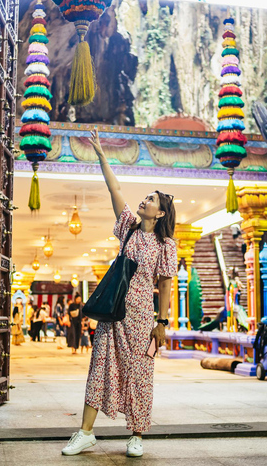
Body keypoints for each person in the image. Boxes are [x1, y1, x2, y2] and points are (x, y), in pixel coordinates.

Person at [62, 128, 177, 458]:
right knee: (99, 366)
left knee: (140, 372)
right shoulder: (128, 227)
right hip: (113, 312)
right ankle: (85, 433)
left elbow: (166, 284)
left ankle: (137, 435)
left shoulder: (165, 245)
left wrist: (163, 322)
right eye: (146, 198)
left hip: (142, 318)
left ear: (161, 212)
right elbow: (115, 188)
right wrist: (101, 156)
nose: (145, 201)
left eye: (152, 200)